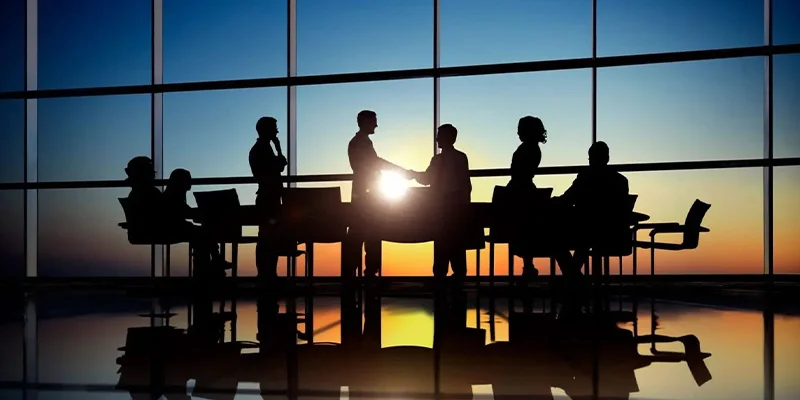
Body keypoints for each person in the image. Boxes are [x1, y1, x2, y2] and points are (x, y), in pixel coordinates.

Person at [344, 110, 408, 278]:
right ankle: (370, 273)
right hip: (368, 195)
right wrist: (402, 171)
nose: (376, 125)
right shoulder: (362, 143)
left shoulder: (357, 142)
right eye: (374, 121)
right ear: (365, 122)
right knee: (371, 233)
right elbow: (375, 162)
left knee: (361, 233)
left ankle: (357, 273)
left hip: (363, 193)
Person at [554, 141, 630, 276]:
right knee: (585, 238)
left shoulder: (585, 177)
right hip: (613, 235)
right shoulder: (621, 181)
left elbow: (568, 199)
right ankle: (574, 279)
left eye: (591, 158)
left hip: (585, 231)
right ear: (607, 158)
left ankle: (573, 279)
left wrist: (554, 201)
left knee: (555, 239)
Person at [411, 124, 472, 279]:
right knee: (456, 243)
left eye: (439, 135)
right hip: (456, 205)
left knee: (442, 242)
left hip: (442, 207)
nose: (437, 138)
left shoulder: (437, 160)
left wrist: (412, 174)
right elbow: (466, 184)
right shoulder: (461, 157)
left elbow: (427, 179)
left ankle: (441, 276)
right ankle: (458, 275)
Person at [162, 168, 231, 277]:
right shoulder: (174, 198)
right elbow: (187, 213)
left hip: (172, 228)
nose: (191, 183)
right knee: (205, 233)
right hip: (175, 229)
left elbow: (187, 212)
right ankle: (214, 262)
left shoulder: (171, 197)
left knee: (203, 233)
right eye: (188, 180)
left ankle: (212, 264)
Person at [506, 116, 548, 277]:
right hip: (525, 189)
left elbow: (517, 171)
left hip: (518, 190)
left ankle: (528, 266)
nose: (517, 132)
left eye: (520, 129)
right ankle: (528, 266)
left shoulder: (526, 149)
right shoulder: (534, 149)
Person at [249, 116, 289, 280]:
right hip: (268, 197)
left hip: (268, 196)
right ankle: (267, 275)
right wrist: (279, 150)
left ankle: (267, 274)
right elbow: (279, 166)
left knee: (267, 236)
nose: (277, 131)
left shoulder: (261, 148)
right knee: (268, 236)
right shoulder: (263, 149)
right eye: (274, 128)